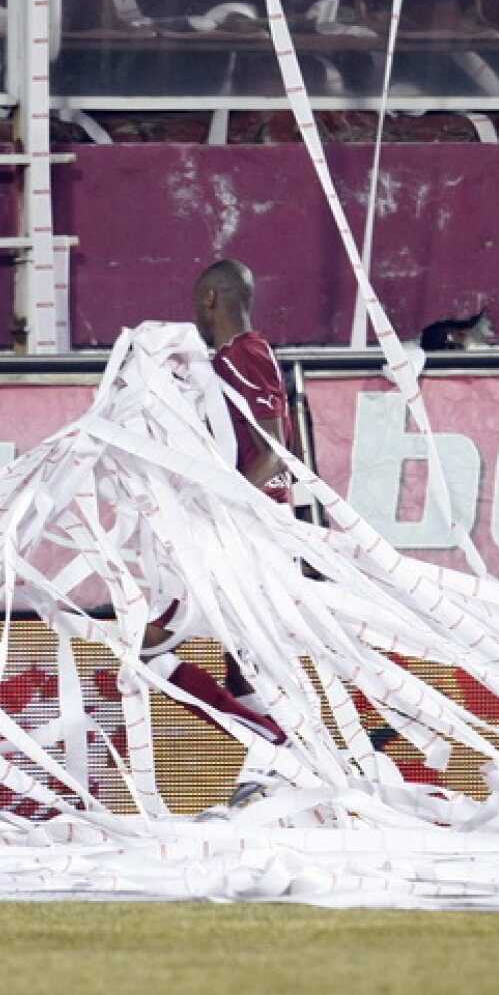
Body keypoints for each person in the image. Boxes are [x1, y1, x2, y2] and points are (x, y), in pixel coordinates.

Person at [139, 260, 293, 799]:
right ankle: (269, 773)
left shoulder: (245, 353)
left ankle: (273, 745)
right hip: (248, 535)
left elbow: (275, 452)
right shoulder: (225, 364)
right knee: (242, 671)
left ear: (209, 300)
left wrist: (223, 506)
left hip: (246, 539)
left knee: (148, 646)